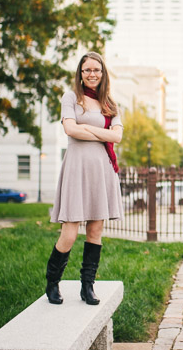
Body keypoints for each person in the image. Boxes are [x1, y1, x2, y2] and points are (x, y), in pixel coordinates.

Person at [44, 52, 124, 306]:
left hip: (101, 169)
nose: (92, 74)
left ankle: (87, 287)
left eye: (97, 70)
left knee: (95, 230)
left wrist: (87, 128)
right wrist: (101, 132)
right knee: (69, 231)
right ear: (80, 73)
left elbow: (117, 137)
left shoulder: (109, 103)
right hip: (77, 168)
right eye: (87, 70)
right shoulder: (71, 97)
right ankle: (52, 283)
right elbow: (70, 129)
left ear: (103, 73)